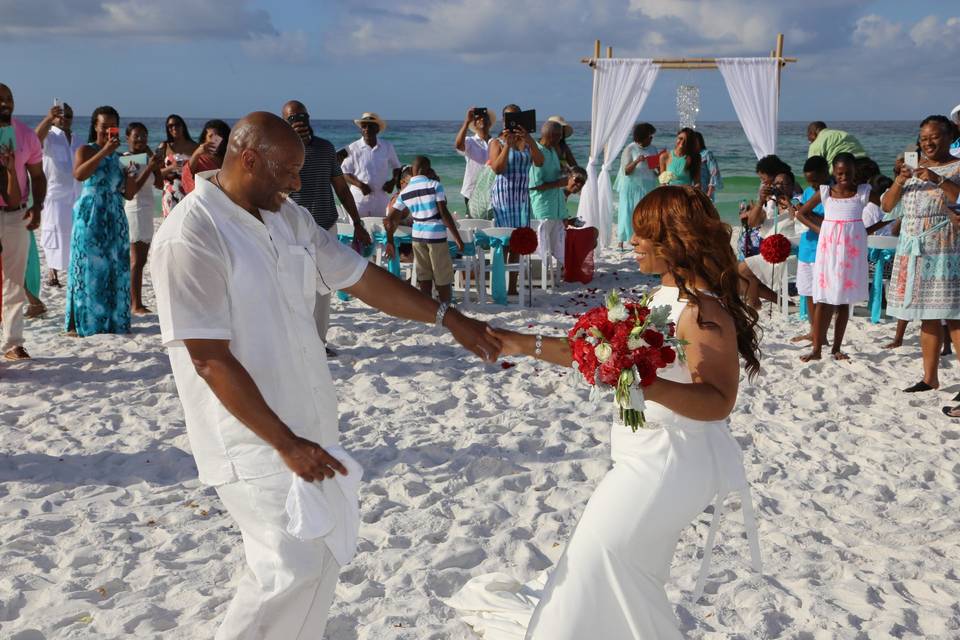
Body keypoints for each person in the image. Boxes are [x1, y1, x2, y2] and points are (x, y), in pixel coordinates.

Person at [150, 112, 501, 640]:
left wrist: (448, 318)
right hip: (254, 440)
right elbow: (208, 357)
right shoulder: (192, 233)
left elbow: (358, 277)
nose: (296, 183)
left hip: (309, 424)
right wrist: (285, 442)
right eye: (287, 171)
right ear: (248, 159)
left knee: (319, 565)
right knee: (284, 572)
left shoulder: (286, 217)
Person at [452, 185, 761, 639]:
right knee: (627, 576)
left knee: (595, 562)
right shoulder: (659, 299)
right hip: (641, 454)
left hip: (671, 461)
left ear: (671, 241)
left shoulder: (702, 310)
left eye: (641, 235)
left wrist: (645, 385)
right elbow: (594, 354)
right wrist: (523, 343)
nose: (632, 243)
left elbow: (719, 401)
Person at [880, 115, 960, 410]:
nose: (928, 143)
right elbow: (887, 207)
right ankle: (930, 377)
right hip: (913, 248)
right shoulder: (911, 172)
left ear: (949, 136)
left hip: (945, 248)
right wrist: (901, 180)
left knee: (954, 315)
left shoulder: (957, 166)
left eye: (934, 137)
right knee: (927, 314)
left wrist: (937, 178)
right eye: (923, 138)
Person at [282, 100, 370, 357]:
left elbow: (341, 188)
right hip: (292, 229)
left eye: (302, 116)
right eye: (291, 119)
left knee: (324, 287)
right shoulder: (280, 152)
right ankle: (297, 342)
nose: (298, 121)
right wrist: (293, 148)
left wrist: (357, 223)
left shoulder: (325, 148)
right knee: (295, 287)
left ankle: (318, 342)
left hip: (326, 224)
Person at [66, 106, 151, 337]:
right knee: (89, 267)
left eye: (113, 127)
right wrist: (103, 152)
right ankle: (85, 322)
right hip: (91, 213)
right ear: (95, 126)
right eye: (104, 127)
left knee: (115, 268)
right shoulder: (85, 149)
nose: (108, 132)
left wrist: (133, 170)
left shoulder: (123, 159)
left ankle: (113, 321)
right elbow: (79, 175)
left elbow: (129, 193)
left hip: (115, 216)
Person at [795, 153, 869, 362]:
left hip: (851, 254)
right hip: (829, 253)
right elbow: (800, 213)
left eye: (848, 172)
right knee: (824, 299)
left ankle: (836, 347)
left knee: (843, 302)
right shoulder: (826, 191)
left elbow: (887, 205)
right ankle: (817, 348)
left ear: (855, 171)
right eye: (839, 173)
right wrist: (820, 230)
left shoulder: (862, 192)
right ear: (833, 173)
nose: (844, 176)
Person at [0, 83, 46, 361]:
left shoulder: (26, 135)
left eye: (9, 98)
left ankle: (12, 343)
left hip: (16, 213)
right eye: (0, 99)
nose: (5, 103)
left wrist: (38, 207)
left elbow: (38, 176)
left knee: (14, 281)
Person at [385, 155, 464, 303]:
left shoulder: (405, 192)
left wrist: (389, 240)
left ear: (414, 171)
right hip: (436, 236)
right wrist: (458, 238)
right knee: (442, 277)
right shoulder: (434, 185)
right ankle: (445, 309)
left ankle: (428, 310)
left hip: (417, 238)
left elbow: (389, 219)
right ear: (426, 169)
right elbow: (444, 214)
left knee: (424, 277)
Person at [489, 104, 544, 294]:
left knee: (517, 244)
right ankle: (499, 286)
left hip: (521, 197)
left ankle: (512, 287)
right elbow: (497, 168)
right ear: (504, 120)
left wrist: (529, 139)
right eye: (508, 117)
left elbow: (540, 162)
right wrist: (508, 147)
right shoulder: (496, 142)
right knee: (503, 242)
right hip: (503, 197)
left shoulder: (528, 142)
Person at [737, 170, 800, 308]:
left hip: (788, 255)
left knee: (742, 270)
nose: (780, 186)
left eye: (784, 184)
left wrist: (788, 204)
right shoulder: (770, 204)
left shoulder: (798, 202)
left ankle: (754, 303)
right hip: (768, 254)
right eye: (777, 184)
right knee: (741, 274)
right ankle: (779, 302)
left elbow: (798, 220)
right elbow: (752, 223)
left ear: (792, 186)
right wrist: (760, 202)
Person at [36, 101, 82, 288]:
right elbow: (34, 139)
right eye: (61, 115)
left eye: (69, 116)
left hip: (76, 195)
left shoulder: (78, 139)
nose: (65, 119)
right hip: (54, 196)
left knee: (74, 234)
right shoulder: (49, 136)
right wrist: (48, 119)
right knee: (52, 233)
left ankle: (73, 270)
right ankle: (52, 272)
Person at [122, 122, 163, 314]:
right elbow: (131, 189)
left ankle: (136, 301)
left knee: (142, 259)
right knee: (136, 260)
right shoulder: (128, 160)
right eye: (136, 136)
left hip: (147, 210)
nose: (140, 139)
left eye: (144, 136)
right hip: (134, 209)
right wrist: (148, 168)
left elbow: (160, 184)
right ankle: (135, 303)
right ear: (127, 138)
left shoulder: (146, 159)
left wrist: (154, 164)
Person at [790, 156, 830, 344]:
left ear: (825, 172)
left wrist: (804, 213)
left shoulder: (832, 193)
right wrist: (797, 211)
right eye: (809, 181)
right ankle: (813, 331)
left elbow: (828, 222)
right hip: (807, 246)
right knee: (808, 292)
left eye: (815, 180)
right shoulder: (807, 192)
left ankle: (821, 334)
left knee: (822, 295)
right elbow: (801, 218)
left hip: (823, 249)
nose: (813, 185)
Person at [528, 121, 577, 266]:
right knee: (543, 249)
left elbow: (554, 174)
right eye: (559, 137)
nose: (560, 140)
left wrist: (566, 173)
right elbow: (534, 186)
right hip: (543, 208)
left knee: (558, 247)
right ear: (551, 136)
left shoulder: (552, 151)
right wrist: (560, 183)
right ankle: (543, 278)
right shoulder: (538, 152)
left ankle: (556, 275)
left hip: (556, 207)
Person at [341, 112, 401, 217]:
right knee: (359, 230)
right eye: (364, 126)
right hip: (359, 200)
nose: (367, 129)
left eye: (370, 126)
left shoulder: (387, 146)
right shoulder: (352, 148)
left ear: (377, 129)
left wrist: (392, 182)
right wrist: (360, 185)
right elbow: (345, 173)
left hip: (381, 199)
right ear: (361, 130)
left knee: (382, 231)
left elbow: (397, 167)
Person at [615, 123, 659, 248]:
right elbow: (626, 171)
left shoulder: (653, 149)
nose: (651, 139)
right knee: (627, 211)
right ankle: (621, 241)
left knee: (645, 212)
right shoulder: (630, 148)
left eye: (652, 137)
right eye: (649, 137)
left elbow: (656, 170)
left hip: (648, 184)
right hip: (631, 186)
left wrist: (658, 167)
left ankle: (642, 238)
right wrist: (637, 161)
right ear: (642, 137)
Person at [454, 106, 494, 213]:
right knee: (474, 223)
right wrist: (467, 122)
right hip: (472, 191)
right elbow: (458, 145)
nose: (482, 120)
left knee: (491, 223)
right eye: (478, 118)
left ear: (490, 123)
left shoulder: (495, 142)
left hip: (492, 191)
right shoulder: (470, 141)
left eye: (485, 117)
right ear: (474, 124)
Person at [158, 114, 198, 217]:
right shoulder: (164, 146)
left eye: (177, 125)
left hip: (190, 192)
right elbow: (156, 174)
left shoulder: (195, 147)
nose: (174, 128)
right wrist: (171, 167)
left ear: (183, 126)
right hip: (170, 194)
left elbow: (199, 171)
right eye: (170, 126)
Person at [182, 119, 230, 194]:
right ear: (205, 138)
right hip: (205, 200)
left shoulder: (229, 158)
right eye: (211, 136)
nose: (215, 139)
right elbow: (186, 175)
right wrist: (197, 153)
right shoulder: (200, 159)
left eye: (219, 136)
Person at [692, 130, 722, 201]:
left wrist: (709, 192)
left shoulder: (707, 154)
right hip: (693, 190)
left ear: (699, 141)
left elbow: (714, 172)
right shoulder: (690, 155)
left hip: (705, 190)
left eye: (694, 141)